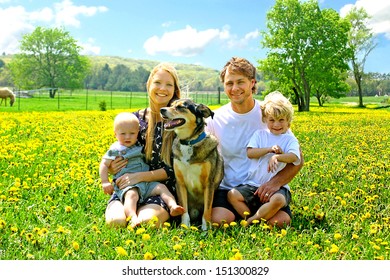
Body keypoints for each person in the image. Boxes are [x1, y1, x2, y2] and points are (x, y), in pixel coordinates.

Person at [206, 57, 303, 228]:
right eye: (229, 83)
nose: (234, 88)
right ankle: (255, 218)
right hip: (230, 189)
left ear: (252, 83)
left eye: (240, 82)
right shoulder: (215, 118)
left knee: (280, 222)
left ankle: (253, 217)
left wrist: (275, 183)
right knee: (218, 220)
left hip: (264, 188)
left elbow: (298, 160)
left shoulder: (270, 114)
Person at [104, 62, 182, 228]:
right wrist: (111, 168)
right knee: (115, 223)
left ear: (175, 90)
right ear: (149, 85)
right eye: (158, 83)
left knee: (147, 222)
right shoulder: (134, 120)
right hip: (128, 187)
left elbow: (177, 168)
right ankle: (127, 209)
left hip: (160, 190)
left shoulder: (179, 123)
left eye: (169, 84)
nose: (162, 88)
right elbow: (117, 150)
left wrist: (140, 176)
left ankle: (160, 211)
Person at [227, 91, 301, 225]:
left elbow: (295, 157)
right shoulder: (260, 134)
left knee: (278, 201)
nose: (276, 124)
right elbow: (250, 153)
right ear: (265, 120)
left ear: (288, 122)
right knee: (232, 195)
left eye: (281, 120)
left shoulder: (290, 139)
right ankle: (256, 217)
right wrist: (269, 150)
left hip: (278, 188)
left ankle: (250, 222)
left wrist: (278, 157)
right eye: (272, 120)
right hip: (253, 184)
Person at [99, 112, 184, 227]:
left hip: (147, 184)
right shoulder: (115, 149)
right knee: (131, 196)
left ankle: (173, 206)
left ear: (138, 133)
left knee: (161, 188)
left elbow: (173, 168)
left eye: (132, 133)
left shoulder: (138, 145)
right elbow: (104, 164)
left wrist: (139, 177)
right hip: (128, 185)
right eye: (123, 134)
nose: (128, 137)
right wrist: (105, 180)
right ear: (115, 134)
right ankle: (133, 217)